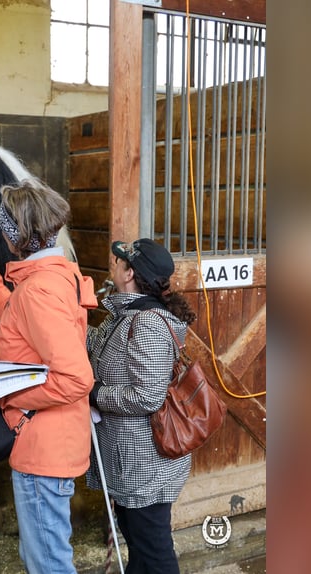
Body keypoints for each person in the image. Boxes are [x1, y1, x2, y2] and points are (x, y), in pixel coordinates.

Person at [0, 178, 97, 574]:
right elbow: (22, 317)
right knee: (40, 557)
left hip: (43, 448)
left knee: (49, 565)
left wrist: (13, 395)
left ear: (14, 238)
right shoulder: (53, 277)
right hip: (51, 442)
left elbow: (77, 378)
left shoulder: (38, 291)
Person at [86, 238, 197, 574]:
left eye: (119, 262)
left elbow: (147, 396)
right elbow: (103, 347)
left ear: (129, 272)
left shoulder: (146, 324)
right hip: (132, 461)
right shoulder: (126, 313)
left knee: (154, 552)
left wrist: (95, 394)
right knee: (139, 546)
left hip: (145, 465)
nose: (114, 266)